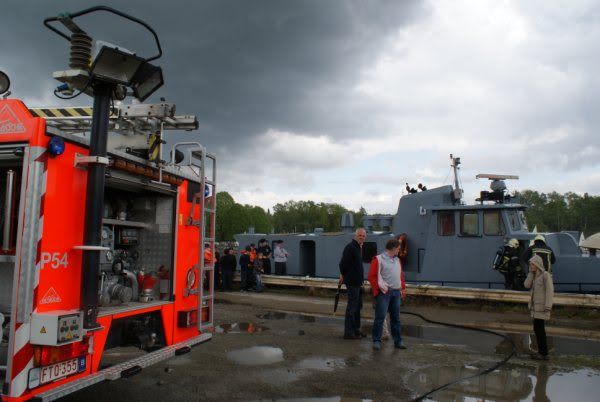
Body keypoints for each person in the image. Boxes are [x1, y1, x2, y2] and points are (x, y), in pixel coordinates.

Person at [368, 238, 407, 351]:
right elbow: (371, 276)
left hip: (396, 292)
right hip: (384, 293)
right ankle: (376, 340)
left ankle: (398, 340)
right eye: (398, 249)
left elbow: (400, 275)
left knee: (396, 318)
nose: (399, 251)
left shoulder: (397, 260)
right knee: (380, 317)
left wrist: (402, 288)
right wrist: (379, 289)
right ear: (394, 248)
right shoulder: (378, 259)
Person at [524, 255, 554, 360]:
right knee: (537, 328)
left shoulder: (545, 275)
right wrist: (530, 274)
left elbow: (550, 291)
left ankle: (543, 353)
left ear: (537, 264)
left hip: (542, 307)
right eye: (530, 264)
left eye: (532, 264)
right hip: (535, 307)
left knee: (540, 329)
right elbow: (526, 285)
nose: (530, 266)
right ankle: (541, 352)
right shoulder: (534, 276)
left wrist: (548, 306)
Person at [339, 228, 366, 340]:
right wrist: (345, 276)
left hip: (358, 283)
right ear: (356, 235)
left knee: (358, 306)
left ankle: (356, 330)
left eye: (363, 236)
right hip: (352, 283)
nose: (361, 237)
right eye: (359, 235)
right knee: (352, 307)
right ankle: (348, 333)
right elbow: (342, 265)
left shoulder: (358, 248)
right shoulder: (350, 248)